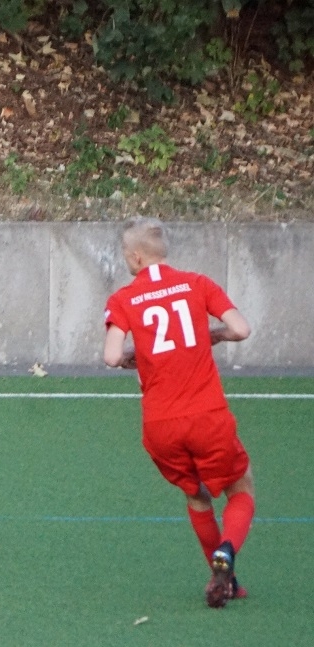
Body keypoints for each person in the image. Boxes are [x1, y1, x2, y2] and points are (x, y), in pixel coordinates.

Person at [102, 217, 255, 609]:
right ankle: (226, 551)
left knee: (196, 495)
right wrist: (213, 335)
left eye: (125, 253)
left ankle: (227, 581)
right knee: (240, 488)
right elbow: (240, 329)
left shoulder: (123, 298)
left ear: (137, 257)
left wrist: (134, 357)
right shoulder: (197, 283)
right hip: (208, 416)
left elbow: (111, 356)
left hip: (160, 426)